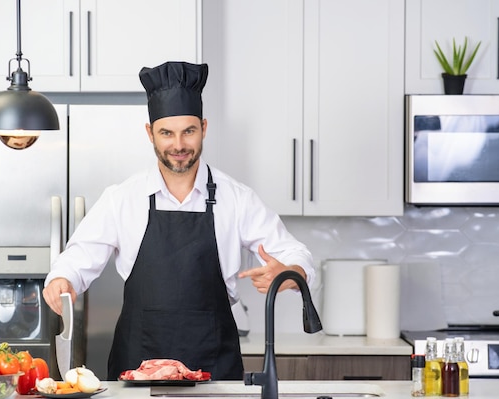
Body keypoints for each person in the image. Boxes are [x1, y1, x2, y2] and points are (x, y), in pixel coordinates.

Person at [43, 61, 316, 381]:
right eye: (166, 133)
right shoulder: (123, 198)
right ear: (150, 134)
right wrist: (62, 278)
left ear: (204, 127)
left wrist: (290, 272)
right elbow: (78, 257)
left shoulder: (237, 199)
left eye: (188, 131)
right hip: (138, 375)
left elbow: (297, 256)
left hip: (215, 374)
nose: (179, 145)